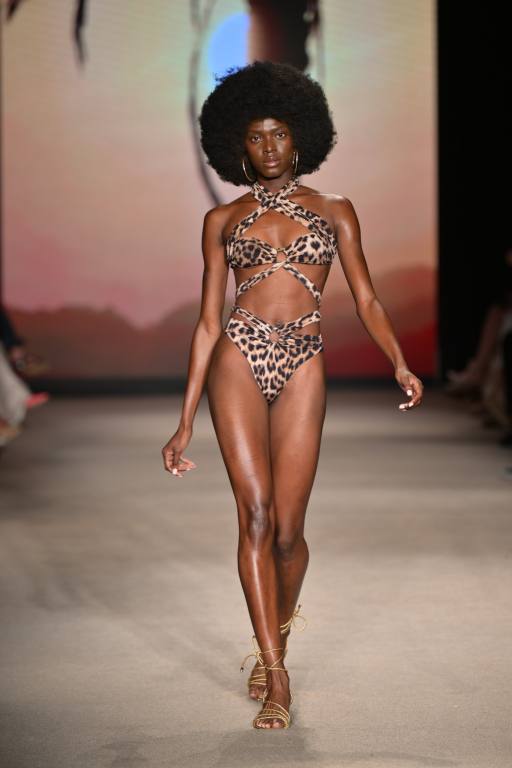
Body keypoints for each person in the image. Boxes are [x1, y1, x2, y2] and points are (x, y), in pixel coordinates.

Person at [161, 61, 423, 729]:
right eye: (256, 136)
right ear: (237, 146)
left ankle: (275, 628)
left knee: (286, 532)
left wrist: (399, 361)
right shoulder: (220, 218)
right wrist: (184, 419)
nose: (270, 147)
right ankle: (276, 670)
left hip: (304, 355)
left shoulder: (336, 210)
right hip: (237, 357)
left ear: (300, 136)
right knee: (251, 516)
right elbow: (206, 320)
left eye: (279, 133)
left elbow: (364, 295)